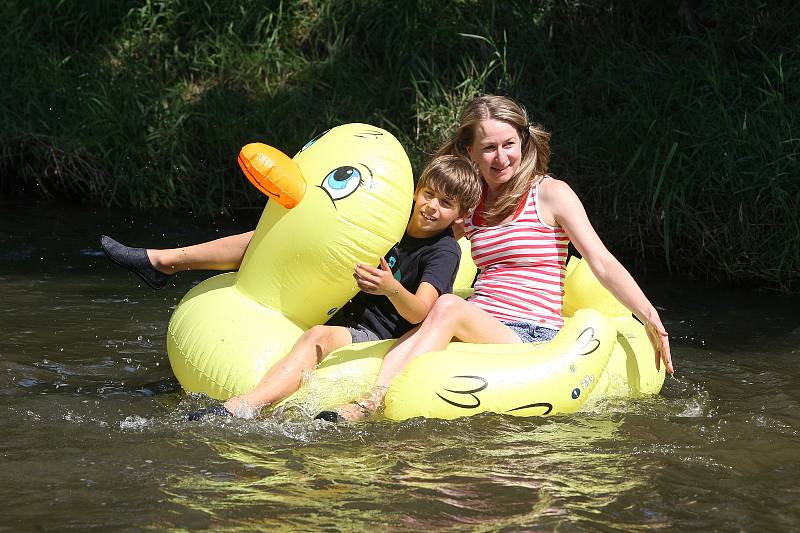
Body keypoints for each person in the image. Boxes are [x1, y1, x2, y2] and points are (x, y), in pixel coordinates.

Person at [317, 95, 674, 423]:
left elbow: (601, 260)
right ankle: (359, 392)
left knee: (448, 305)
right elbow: (409, 240)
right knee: (437, 312)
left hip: (528, 332)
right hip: (479, 320)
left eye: (509, 145)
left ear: (524, 143)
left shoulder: (550, 194)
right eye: (488, 148)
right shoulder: (471, 207)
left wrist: (648, 314)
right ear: (469, 150)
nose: (501, 158)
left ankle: (369, 405)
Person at [101, 155, 482, 418]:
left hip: (377, 332)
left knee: (320, 336)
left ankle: (245, 405)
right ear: (417, 189)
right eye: (429, 194)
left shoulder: (443, 250)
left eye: (445, 204)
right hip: (333, 299)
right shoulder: (390, 219)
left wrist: (390, 288)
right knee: (276, 237)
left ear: (459, 215)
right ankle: (164, 260)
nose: (432, 207)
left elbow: (422, 311)